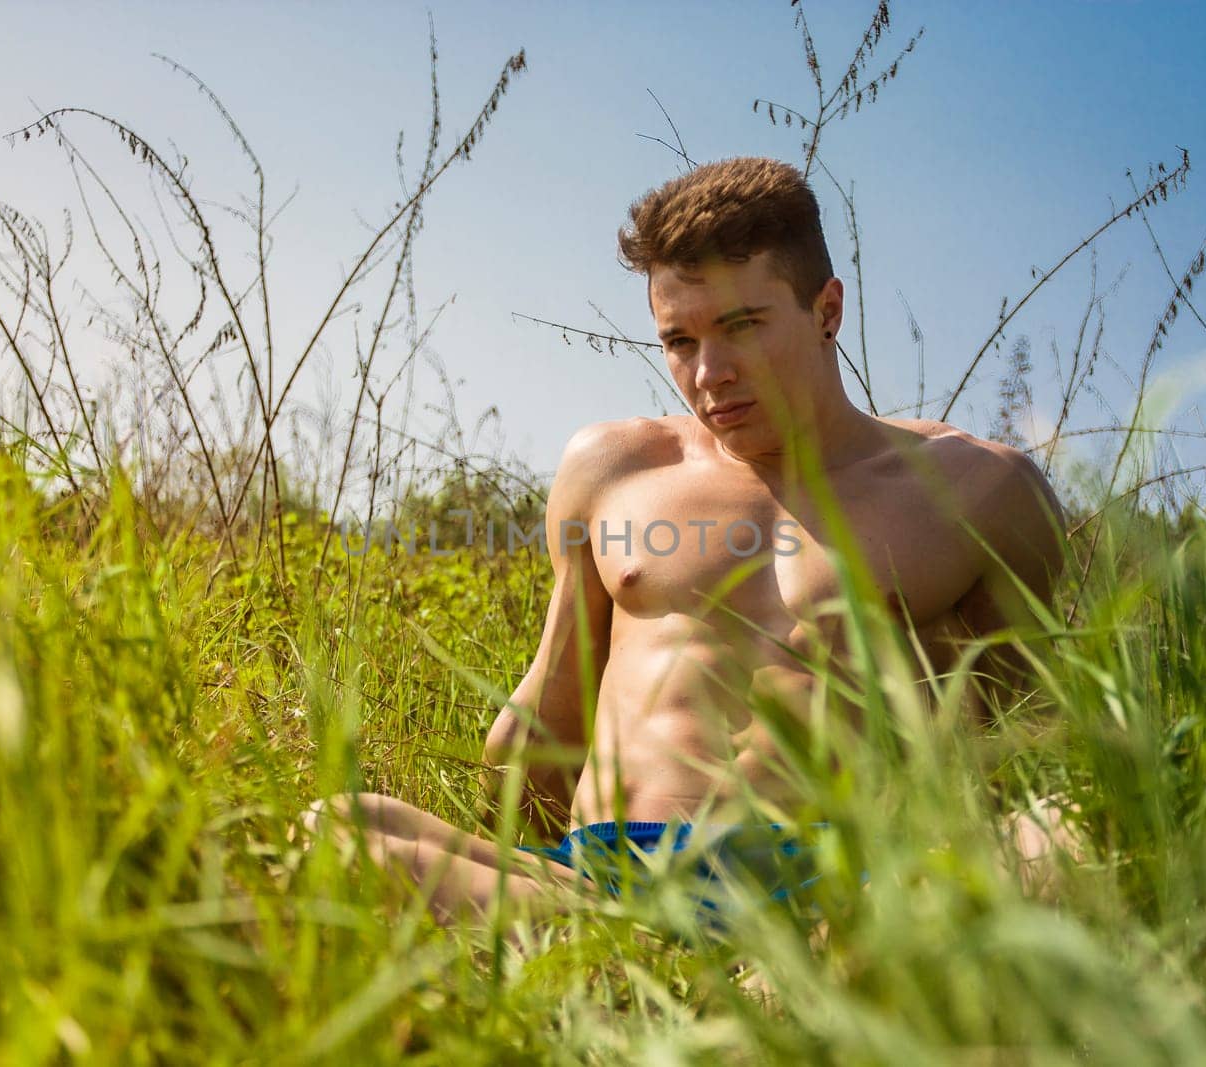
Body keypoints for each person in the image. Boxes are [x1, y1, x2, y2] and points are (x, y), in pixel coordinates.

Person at [304, 157, 1068, 923]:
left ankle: (767, 970)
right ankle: (672, 968)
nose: (710, 374)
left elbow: (1023, 744)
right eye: (679, 340)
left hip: (841, 883)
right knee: (340, 828)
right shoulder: (613, 468)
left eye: (741, 327)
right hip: (609, 875)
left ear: (827, 309)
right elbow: (552, 709)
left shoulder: (978, 491)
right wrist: (511, 853)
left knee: (1057, 830)